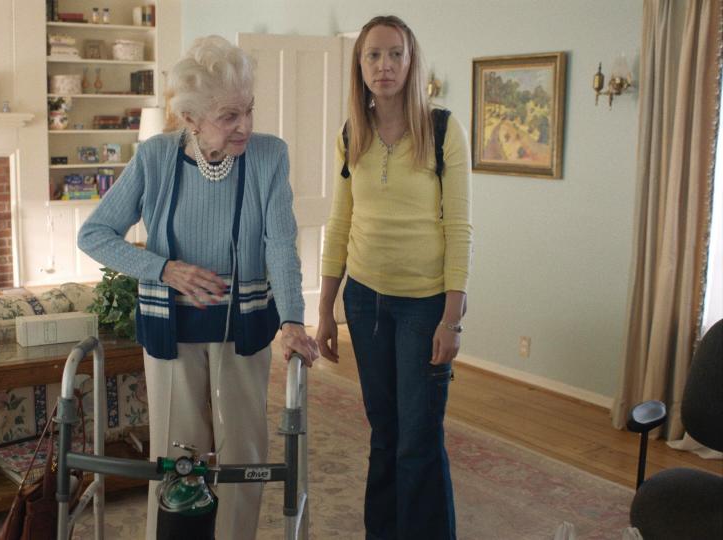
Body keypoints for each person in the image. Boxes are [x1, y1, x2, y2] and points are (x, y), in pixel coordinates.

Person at [77, 35, 319, 540]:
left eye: (249, 109)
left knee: (244, 455)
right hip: (171, 326)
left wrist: (293, 319)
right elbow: (94, 234)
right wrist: (163, 269)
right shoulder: (155, 159)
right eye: (229, 116)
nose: (246, 126)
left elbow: (280, 244)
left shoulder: (269, 158)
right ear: (190, 118)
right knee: (175, 457)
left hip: (246, 323)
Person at [315, 15, 472, 540]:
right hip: (363, 301)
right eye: (373, 56)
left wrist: (451, 318)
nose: (384, 66)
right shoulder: (349, 134)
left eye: (395, 54)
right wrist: (325, 311)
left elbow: (459, 227)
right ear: (359, 66)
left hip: (423, 305)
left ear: (412, 61)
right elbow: (340, 223)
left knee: (418, 439)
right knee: (384, 434)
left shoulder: (444, 129)